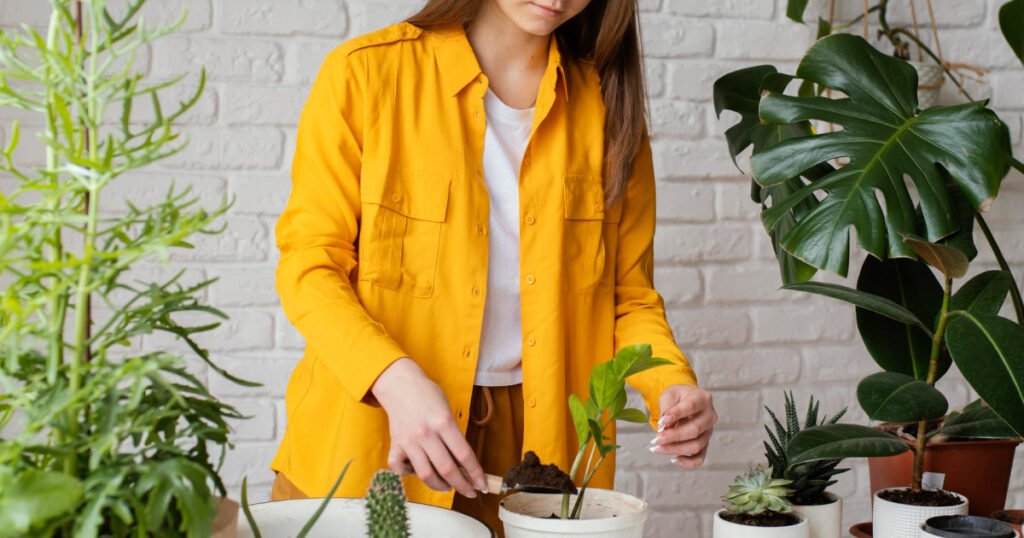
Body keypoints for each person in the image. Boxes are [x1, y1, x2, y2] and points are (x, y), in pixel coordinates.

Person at [270, 0, 718, 533]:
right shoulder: (366, 72)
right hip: (372, 425)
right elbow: (310, 265)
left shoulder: (607, 110)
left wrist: (669, 385)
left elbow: (628, 296)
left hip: (532, 453)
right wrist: (395, 381)